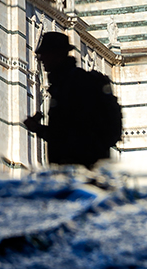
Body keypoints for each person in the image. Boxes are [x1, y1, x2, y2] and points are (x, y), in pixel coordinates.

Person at [24, 31, 121, 167]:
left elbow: (71, 135)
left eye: (44, 54)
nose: (41, 59)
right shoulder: (64, 84)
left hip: (80, 170)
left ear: (57, 54)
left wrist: (40, 129)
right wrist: (39, 129)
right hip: (79, 168)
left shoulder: (74, 84)